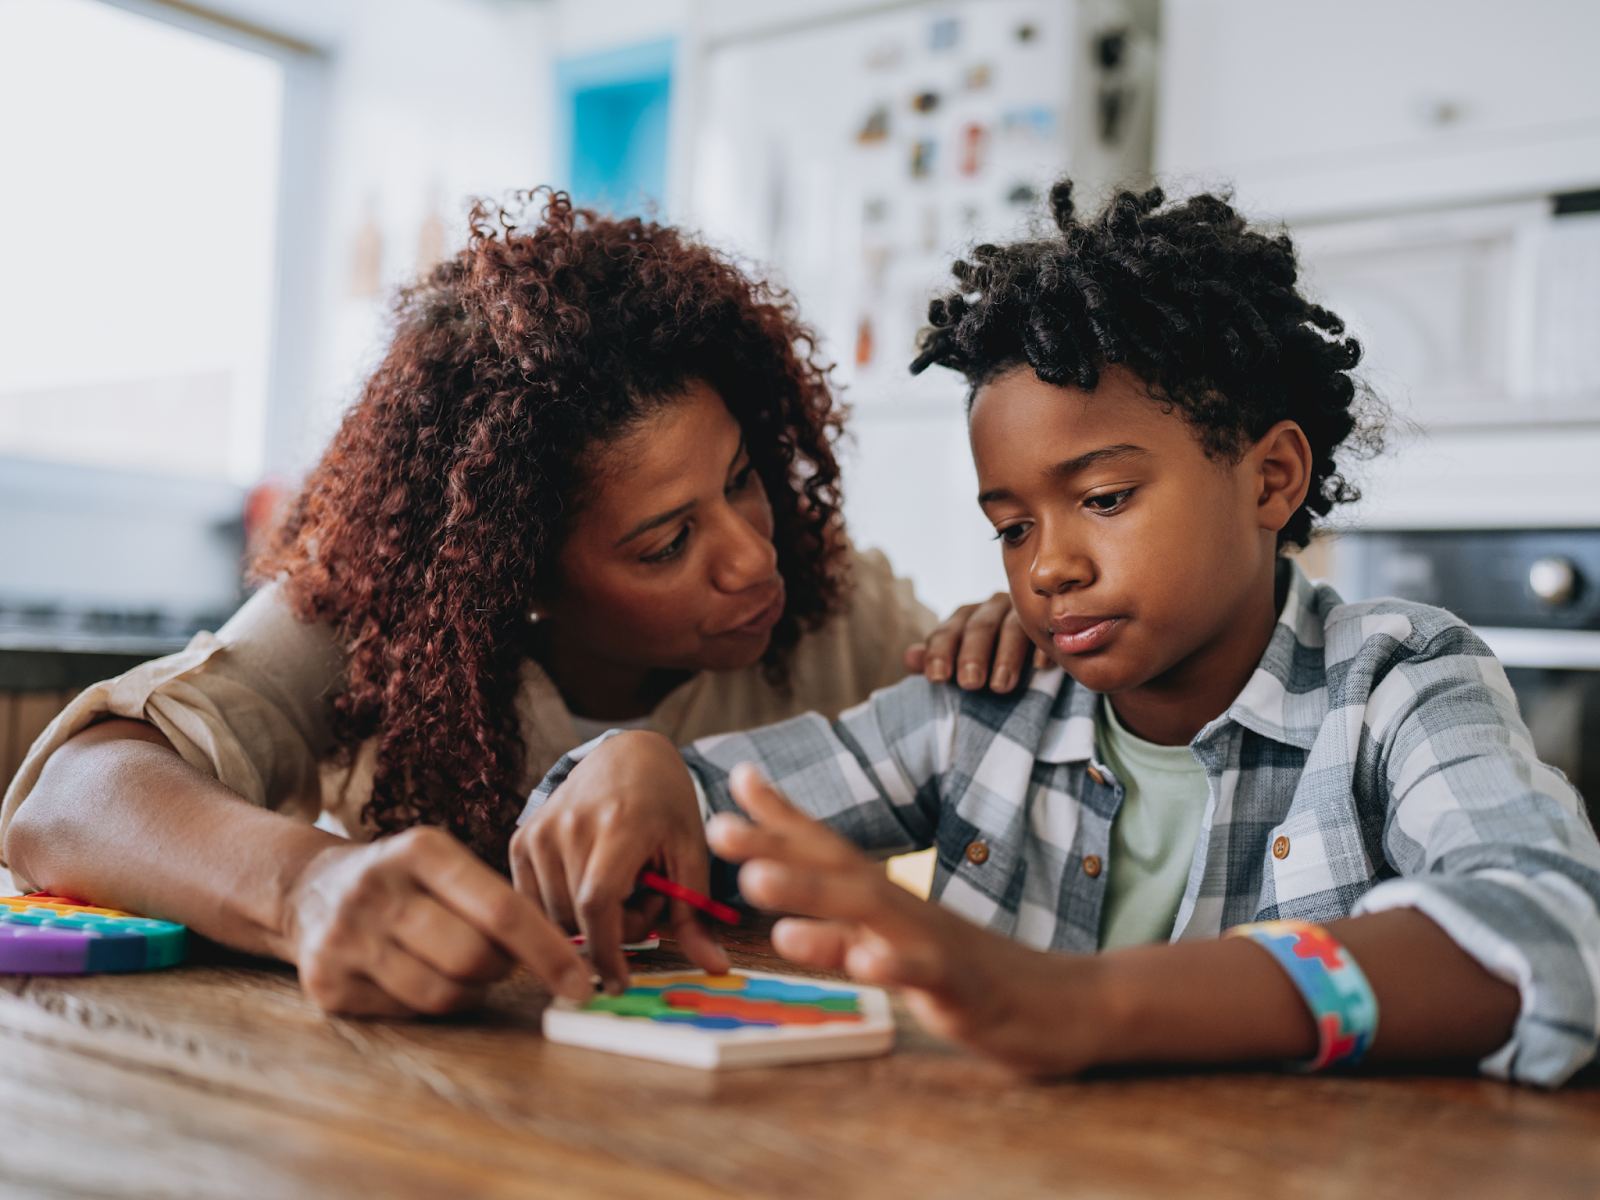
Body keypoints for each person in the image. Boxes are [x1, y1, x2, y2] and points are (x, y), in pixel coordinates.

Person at [521, 182, 1600, 1086]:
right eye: (1011, 526)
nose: (1048, 567)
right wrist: (633, 763)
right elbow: (674, 817)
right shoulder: (981, 704)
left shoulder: (1394, 684)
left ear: (1270, 477)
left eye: (1106, 498)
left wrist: (1079, 1005)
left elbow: (1548, 927)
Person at [0, 192, 1030, 1017]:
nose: (751, 557)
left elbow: (1029, 726)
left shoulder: (829, 605)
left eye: (742, 478)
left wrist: (1019, 633)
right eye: (665, 543)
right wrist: (304, 890)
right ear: (514, 581)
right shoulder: (381, 620)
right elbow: (70, 801)